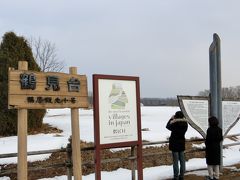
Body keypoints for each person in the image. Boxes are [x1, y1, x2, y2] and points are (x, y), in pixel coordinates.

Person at [166, 111, 188, 180]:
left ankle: (176, 177)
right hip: (181, 144)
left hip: (174, 144)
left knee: (175, 161)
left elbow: (167, 126)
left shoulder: (174, 123)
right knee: (182, 160)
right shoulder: (185, 123)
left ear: (176, 116)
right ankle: (182, 176)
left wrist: (171, 119)